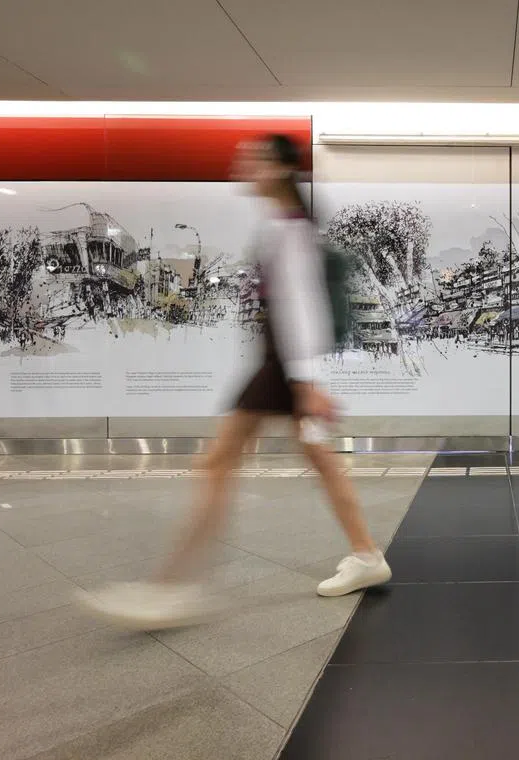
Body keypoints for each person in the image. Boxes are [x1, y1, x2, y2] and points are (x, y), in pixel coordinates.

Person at [78, 134, 391, 630]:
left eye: (254, 158)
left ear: (280, 168)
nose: (242, 165)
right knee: (312, 459)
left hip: (284, 370)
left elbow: (302, 309)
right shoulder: (285, 227)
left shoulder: (290, 231)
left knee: (219, 463)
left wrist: (307, 382)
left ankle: (170, 589)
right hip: (286, 370)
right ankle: (367, 555)